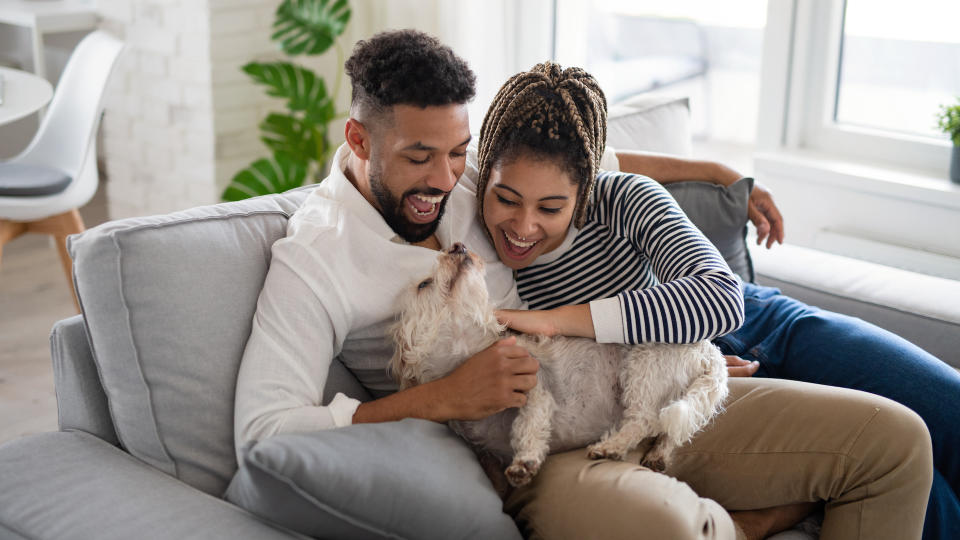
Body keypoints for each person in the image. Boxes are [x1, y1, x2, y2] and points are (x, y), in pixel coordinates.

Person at [235, 31, 932, 540]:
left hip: (634, 375)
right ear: (358, 141)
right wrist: (441, 398)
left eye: (456, 153)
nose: (447, 182)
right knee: (665, 527)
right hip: (528, 451)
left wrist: (717, 174)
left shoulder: (481, 180)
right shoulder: (315, 259)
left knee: (899, 441)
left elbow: (584, 163)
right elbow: (264, 433)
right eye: (419, 158)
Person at [476, 61, 951, 539]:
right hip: (689, 377)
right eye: (507, 200)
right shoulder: (466, 210)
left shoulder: (616, 196)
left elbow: (720, 297)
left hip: (757, 324)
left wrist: (560, 321)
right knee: (922, 482)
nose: (523, 226)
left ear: (586, 187)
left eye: (551, 208)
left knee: (948, 409)